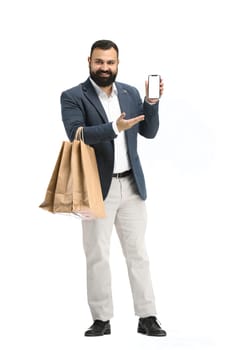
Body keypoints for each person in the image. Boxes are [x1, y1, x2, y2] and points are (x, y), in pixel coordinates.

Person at [60, 39, 166, 337]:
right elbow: (76, 133)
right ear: (89, 61)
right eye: (99, 62)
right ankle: (101, 319)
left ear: (117, 63)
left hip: (132, 186)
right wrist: (113, 128)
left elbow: (149, 132)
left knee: (138, 254)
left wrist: (152, 103)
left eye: (110, 62)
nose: (104, 68)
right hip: (95, 189)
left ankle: (147, 317)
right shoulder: (72, 96)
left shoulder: (131, 93)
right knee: (97, 255)